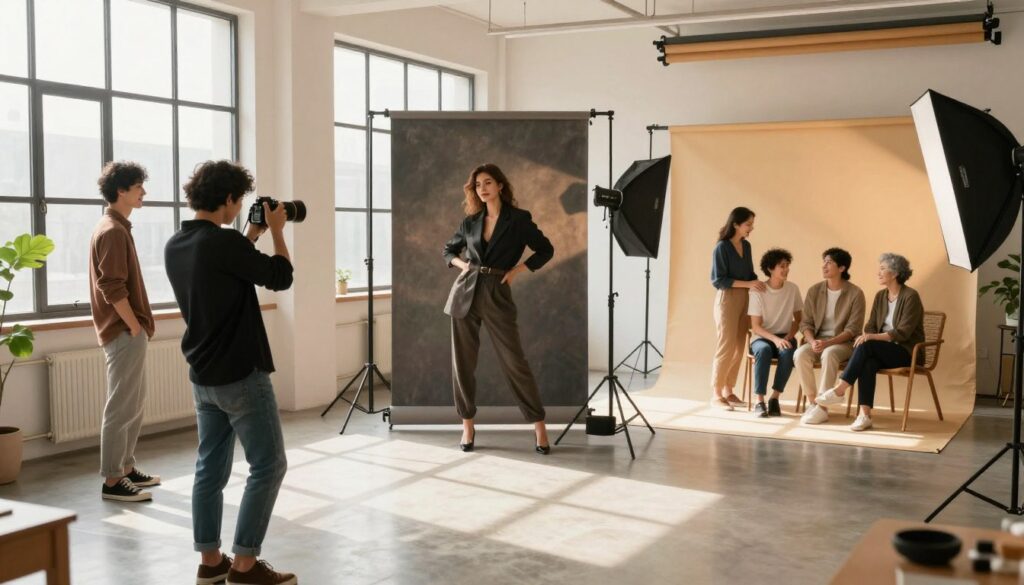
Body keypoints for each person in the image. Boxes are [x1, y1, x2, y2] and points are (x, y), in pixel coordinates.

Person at [165, 161, 297, 585]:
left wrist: (250, 237)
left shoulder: (177, 243)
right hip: (241, 373)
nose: (240, 207)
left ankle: (210, 562)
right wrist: (276, 229)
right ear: (227, 199)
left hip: (203, 375)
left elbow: (224, 273)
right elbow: (281, 277)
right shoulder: (223, 244)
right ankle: (244, 565)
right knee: (269, 465)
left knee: (209, 470)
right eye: (237, 201)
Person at [442, 163, 555, 454]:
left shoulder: (518, 219)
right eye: (478, 184)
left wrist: (518, 270)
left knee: (515, 362)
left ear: (500, 186)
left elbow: (546, 249)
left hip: (497, 292)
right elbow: (448, 251)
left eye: (488, 182)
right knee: (462, 364)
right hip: (465, 292)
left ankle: (539, 426)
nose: (482, 188)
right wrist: (463, 264)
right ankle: (467, 425)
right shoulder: (470, 221)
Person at [90, 161, 160, 503]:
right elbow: (112, 287)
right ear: (121, 190)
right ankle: (113, 480)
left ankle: (127, 468)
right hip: (122, 331)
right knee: (121, 405)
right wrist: (134, 325)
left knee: (133, 401)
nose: (143, 192)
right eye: (138, 187)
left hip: (127, 331)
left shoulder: (116, 226)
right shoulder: (113, 231)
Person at [815, 253, 925, 432]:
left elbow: (903, 333)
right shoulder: (881, 296)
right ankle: (864, 415)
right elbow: (870, 325)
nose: (878, 272)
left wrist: (872, 337)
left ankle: (840, 389)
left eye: (883, 269)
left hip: (907, 352)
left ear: (895, 273)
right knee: (868, 362)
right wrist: (872, 336)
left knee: (867, 345)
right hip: (882, 350)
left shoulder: (911, 296)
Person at [796, 248, 867, 425]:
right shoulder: (814, 291)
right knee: (800, 354)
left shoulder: (855, 293)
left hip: (844, 343)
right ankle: (814, 402)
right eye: (824, 261)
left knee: (830, 353)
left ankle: (823, 408)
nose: (824, 265)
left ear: (842, 268)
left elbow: (853, 329)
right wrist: (812, 341)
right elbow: (805, 323)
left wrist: (828, 342)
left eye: (829, 262)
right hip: (818, 340)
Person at [710, 207, 763, 411]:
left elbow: (749, 274)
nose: (751, 228)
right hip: (728, 299)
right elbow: (719, 280)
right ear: (735, 224)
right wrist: (749, 284)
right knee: (726, 345)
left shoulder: (746, 246)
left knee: (740, 346)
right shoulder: (722, 248)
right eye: (748, 224)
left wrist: (762, 282)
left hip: (745, 299)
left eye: (751, 224)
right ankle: (716, 393)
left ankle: (729, 390)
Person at [747, 249, 802, 418]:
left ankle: (774, 398)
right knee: (763, 351)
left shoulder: (792, 289)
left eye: (787, 266)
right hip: (762, 337)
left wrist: (789, 336)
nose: (786, 270)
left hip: (785, 336)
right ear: (770, 269)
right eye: (782, 266)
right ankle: (759, 401)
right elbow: (755, 326)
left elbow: (798, 319)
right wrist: (775, 339)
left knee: (788, 352)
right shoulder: (758, 291)